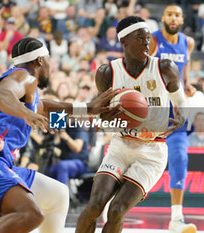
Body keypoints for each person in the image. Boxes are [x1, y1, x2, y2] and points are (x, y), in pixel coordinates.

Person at [0, 37, 119, 233]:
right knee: (31, 213)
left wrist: (89, 108)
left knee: (58, 195)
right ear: (40, 60)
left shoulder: (29, 91)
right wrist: (28, 115)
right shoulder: (23, 76)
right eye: (49, 60)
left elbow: (45, 107)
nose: (51, 67)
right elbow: (1, 96)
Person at [76, 16, 187, 233]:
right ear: (124, 41)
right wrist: (119, 116)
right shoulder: (107, 73)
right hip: (121, 146)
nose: (147, 43)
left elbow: (181, 102)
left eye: (148, 38)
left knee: (116, 210)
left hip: (151, 152)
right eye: (140, 38)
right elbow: (102, 116)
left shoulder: (165, 67)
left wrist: (181, 116)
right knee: (95, 205)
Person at [149, 5, 197, 233]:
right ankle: (112, 208)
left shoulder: (188, 43)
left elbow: (185, 73)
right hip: (155, 109)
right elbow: (143, 72)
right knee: (138, 159)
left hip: (177, 111)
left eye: (177, 14)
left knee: (179, 157)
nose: (173, 18)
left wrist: (188, 86)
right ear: (163, 18)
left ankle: (176, 218)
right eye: (169, 14)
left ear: (182, 19)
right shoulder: (153, 40)